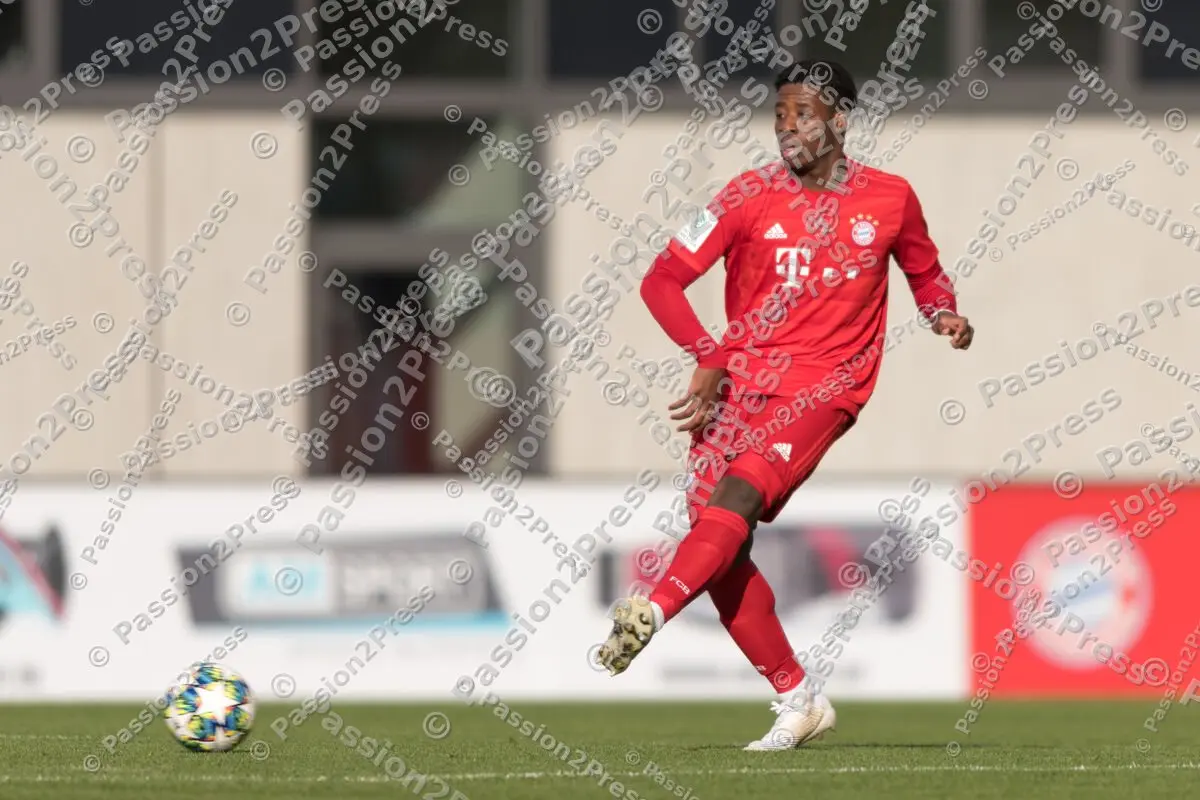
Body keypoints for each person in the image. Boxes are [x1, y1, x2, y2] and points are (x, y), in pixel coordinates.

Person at [594, 60, 974, 750]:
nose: (788, 127)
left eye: (803, 113)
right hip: (738, 391)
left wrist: (944, 313)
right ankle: (799, 699)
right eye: (779, 114)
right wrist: (710, 355)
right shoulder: (743, 196)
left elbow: (924, 270)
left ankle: (649, 610)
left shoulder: (890, 199)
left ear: (840, 120)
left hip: (825, 387)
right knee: (719, 546)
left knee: (736, 500)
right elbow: (663, 280)